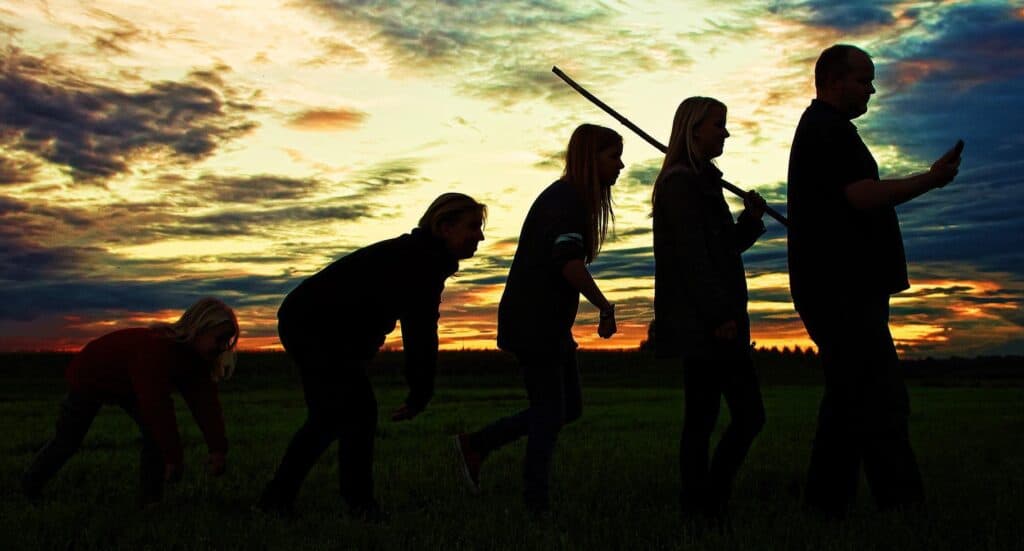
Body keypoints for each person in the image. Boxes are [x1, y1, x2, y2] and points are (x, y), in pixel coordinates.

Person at [786, 44, 963, 516]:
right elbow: (863, 196)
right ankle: (901, 506)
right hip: (841, 291)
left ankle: (826, 507)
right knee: (881, 397)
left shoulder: (827, 130)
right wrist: (931, 179)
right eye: (864, 79)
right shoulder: (827, 130)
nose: (872, 88)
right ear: (834, 80)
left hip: (838, 287)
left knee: (849, 399)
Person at [257, 192, 486, 520]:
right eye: (473, 226)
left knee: (329, 418)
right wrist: (421, 391)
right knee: (357, 414)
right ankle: (358, 505)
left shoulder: (421, 256)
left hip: (312, 324)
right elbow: (419, 331)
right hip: (314, 327)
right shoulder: (422, 260)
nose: (480, 236)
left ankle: (279, 500)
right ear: (445, 226)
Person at [453, 123, 621, 516]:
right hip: (534, 324)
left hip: (546, 324)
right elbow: (568, 262)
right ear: (589, 157)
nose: (620, 165)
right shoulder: (566, 201)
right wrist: (604, 305)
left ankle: (476, 445)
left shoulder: (572, 198)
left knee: (568, 408)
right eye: (613, 156)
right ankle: (535, 505)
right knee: (549, 411)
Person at [651, 96, 768, 516]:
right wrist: (720, 316)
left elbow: (721, 249)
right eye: (719, 124)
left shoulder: (701, 181)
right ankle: (706, 504)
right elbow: (693, 258)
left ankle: (701, 505)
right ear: (694, 128)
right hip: (706, 323)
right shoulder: (682, 183)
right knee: (739, 416)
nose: (726, 132)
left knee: (707, 418)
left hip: (711, 320)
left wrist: (750, 220)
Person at [21, 297, 239, 506]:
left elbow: (206, 404)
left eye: (227, 341)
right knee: (68, 440)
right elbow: (158, 407)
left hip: (130, 383)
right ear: (198, 329)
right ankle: (29, 486)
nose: (222, 347)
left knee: (154, 436)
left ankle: (150, 501)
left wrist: (217, 449)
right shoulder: (157, 350)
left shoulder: (197, 361)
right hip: (92, 375)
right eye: (218, 339)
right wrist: (173, 458)